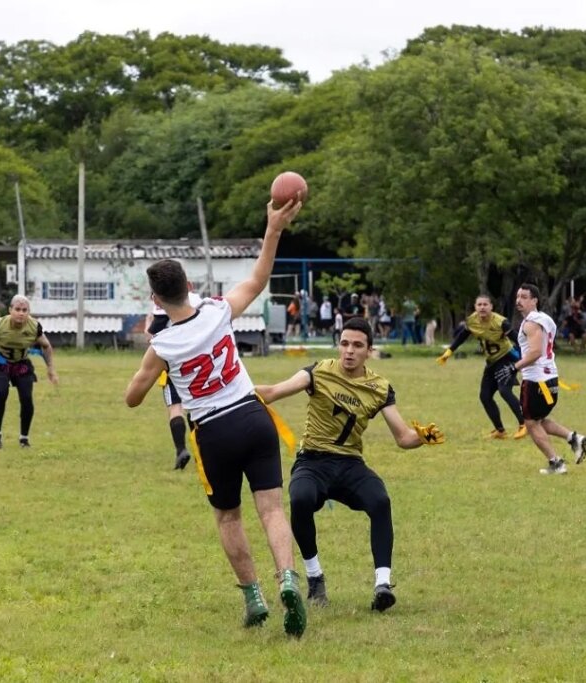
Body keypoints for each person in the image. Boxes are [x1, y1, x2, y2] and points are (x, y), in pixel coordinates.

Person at [124, 198, 307, 638]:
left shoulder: (162, 345)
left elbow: (132, 398)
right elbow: (258, 279)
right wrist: (273, 228)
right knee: (271, 509)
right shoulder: (217, 310)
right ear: (189, 286)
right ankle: (287, 577)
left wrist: (156, 359)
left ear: (155, 299)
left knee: (228, 517)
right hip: (253, 415)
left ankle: (254, 597)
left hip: (213, 432)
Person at [254, 317, 445, 612]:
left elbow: (403, 437)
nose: (349, 351)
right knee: (300, 498)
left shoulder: (379, 387)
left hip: (349, 463)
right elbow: (273, 392)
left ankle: (383, 585)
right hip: (313, 460)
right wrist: (229, 391)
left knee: (380, 501)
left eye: (357, 345)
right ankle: (315, 577)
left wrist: (423, 437)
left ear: (369, 350)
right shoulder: (318, 372)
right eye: (344, 343)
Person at [512, 284, 586, 475]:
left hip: (536, 381)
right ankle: (574, 438)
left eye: (524, 297)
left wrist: (515, 367)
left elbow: (535, 352)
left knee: (531, 424)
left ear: (534, 300)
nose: (519, 300)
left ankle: (556, 463)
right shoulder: (545, 319)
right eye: (518, 296)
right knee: (538, 420)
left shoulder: (531, 323)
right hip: (550, 379)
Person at [0, 294, 58, 449]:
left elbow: (46, 345)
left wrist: (50, 368)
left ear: (29, 312)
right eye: (17, 309)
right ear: (10, 310)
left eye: (25, 310)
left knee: (27, 398)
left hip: (21, 364)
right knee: (2, 391)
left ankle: (24, 439)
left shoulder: (34, 327)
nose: (21, 313)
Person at [436, 294, 526, 440]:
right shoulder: (472, 320)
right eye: (479, 304)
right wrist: (449, 351)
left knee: (504, 391)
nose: (482, 307)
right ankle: (500, 431)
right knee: (485, 396)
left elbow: (518, 340)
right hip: (491, 362)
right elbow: (462, 336)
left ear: (491, 307)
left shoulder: (501, 322)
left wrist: (524, 359)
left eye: (485, 304)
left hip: (506, 358)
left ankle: (524, 424)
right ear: (475, 307)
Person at [144, 289, 204, 470]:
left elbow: (151, 336)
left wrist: (148, 322)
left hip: (172, 364)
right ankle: (202, 452)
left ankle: (181, 450)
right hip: (197, 363)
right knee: (197, 408)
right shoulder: (194, 304)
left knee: (175, 408)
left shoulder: (161, 309)